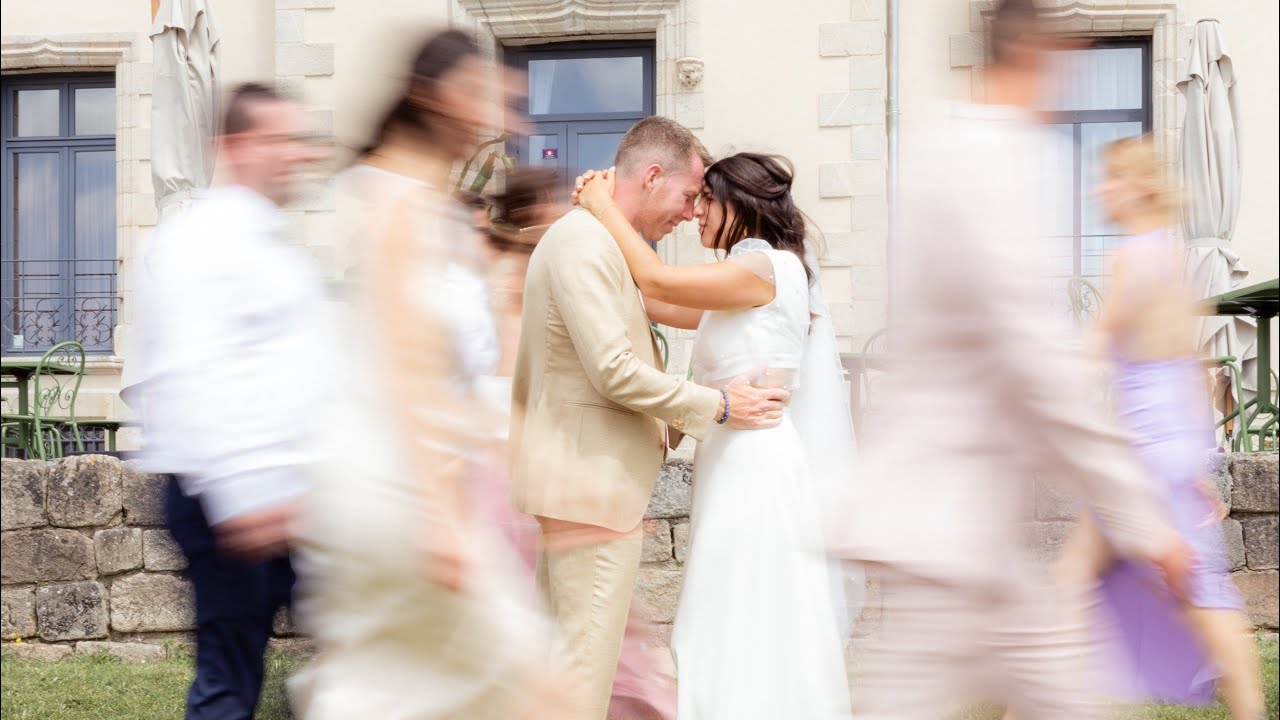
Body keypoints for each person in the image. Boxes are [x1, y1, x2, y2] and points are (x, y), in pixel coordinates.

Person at [827, 2, 1194, 718]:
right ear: (1038, 54)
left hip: (961, 526)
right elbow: (1032, 360)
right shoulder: (991, 160)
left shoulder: (943, 147)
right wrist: (1144, 521)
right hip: (946, 520)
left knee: (1070, 693)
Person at [288, 29, 564, 719]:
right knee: (532, 695)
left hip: (397, 483)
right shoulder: (405, 204)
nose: (504, 119)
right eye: (487, 99)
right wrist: (442, 520)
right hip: (401, 490)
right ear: (434, 96)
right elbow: (405, 369)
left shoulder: (405, 193)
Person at [508, 116, 790, 719]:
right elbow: (613, 368)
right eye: (690, 196)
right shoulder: (583, 242)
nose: (692, 214)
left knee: (564, 669)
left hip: (585, 486)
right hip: (588, 487)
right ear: (653, 175)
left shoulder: (598, 242)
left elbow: (651, 310)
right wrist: (718, 406)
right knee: (582, 675)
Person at [574, 152, 856, 719]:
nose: (696, 212)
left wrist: (605, 208)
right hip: (730, 458)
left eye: (707, 199)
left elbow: (655, 278)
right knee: (732, 605)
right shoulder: (740, 282)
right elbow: (649, 300)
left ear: (742, 203)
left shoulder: (767, 268)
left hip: (754, 461)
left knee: (739, 608)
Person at [125, 83, 327, 720]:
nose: (297, 154)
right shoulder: (201, 241)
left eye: (300, 140)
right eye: (281, 140)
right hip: (232, 495)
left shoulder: (269, 243)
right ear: (236, 146)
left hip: (289, 490)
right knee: (230, 674)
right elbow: (192, 370)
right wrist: (245, 496)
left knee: (363, 646)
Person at [1061, 135, 1264, 718]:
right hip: (1163, 447)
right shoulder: (1167, 252)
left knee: (1199, 593)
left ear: (1141, 185)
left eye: (1112, 177)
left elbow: (1097, 348)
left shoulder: (1135, 256)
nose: (1100, 188)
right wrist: (1197, 459)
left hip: (1147, 453)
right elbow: (1188, 363)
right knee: (1079, 580)